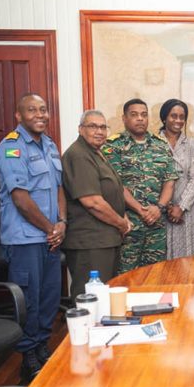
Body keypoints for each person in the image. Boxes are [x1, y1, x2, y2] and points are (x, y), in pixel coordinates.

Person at [0, 93, 65, 381]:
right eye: (32, 110)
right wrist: (51, 229)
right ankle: (27, 357)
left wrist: (62, 222)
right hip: (25, 240)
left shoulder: (49, 144)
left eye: (43, 109)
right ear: (19, 116)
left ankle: (42, 346)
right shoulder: (11, 148)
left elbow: (59, 188)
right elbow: (21, 200)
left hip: (50, 236)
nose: (40, 114)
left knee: (49, 296)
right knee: (30, 300)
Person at [61, 110, 131, 298]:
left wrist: (121, 216)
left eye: (103, 127)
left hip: (105, 238)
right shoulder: (78, 155)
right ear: (80, 129)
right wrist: (121, 223)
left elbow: (111, 191)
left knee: (103, 298)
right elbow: (92, 202)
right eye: (92, 126)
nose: (99, 131)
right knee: (90, 300)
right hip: (90, 242)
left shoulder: (96, 153)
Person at [103, 98, 178, 274]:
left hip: (156, 225)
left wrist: (159, 208)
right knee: (126, 276)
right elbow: (116, 185)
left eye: (144, 115)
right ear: (124, 118)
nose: (140, 119)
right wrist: (141, 210)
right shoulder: (113, 146)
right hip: (128, 225)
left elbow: (170, 181)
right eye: (134, 115)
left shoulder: (160, 144)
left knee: (155, 275)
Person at [158, 99, 194, 259]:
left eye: (181, 117)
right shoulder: (153, 143)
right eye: (173, 116)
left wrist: (181, 207)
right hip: (160, 206)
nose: (178, 120)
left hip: (188, 208)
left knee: (190, 261)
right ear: (164, 118)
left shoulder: (193, 144)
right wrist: (167, 206)